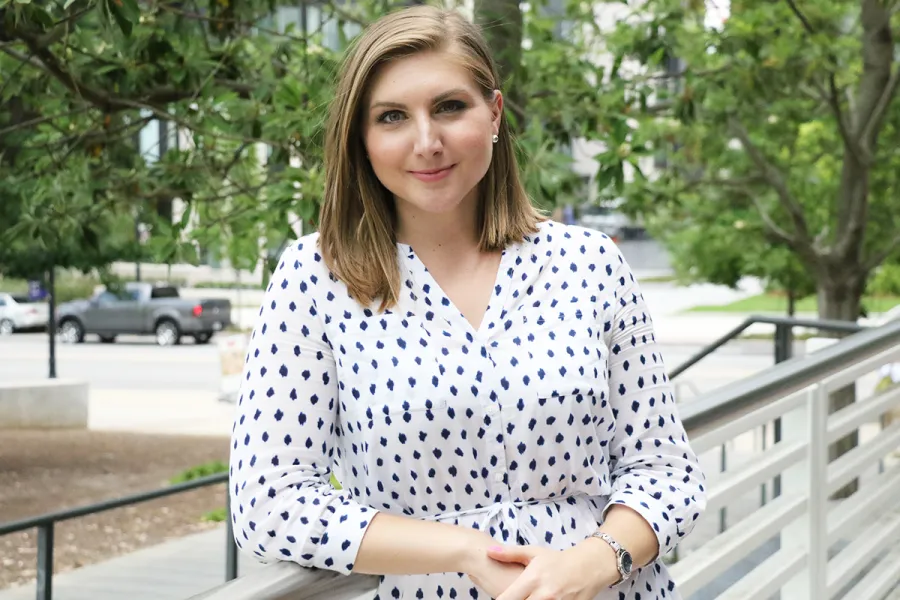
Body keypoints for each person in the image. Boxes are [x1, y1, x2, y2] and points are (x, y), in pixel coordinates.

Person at [229, 6, 706, 599]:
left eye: (450, 107)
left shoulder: (590, 263)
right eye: (392, 116)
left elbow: (665, 472)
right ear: (362, 139)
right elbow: (269, 503)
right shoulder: (314, 278)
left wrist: (589, 562)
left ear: (495, 113)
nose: (427, 142)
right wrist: (468, 551)